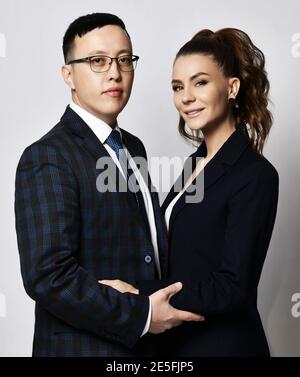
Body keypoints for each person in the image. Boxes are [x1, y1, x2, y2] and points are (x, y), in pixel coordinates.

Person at [14, 13, 203, 357]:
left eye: (124, 60)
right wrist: (142, 315)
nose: (115, 72)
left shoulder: (134, 148)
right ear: (68, 74)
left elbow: (147, 250)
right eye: (97, 61)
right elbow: (48, 276)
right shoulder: (47, 156)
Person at [103, 28, 279, 356]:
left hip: (224, 345)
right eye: (177, 87)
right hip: (177, 345)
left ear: (232, 88)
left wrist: (138, 293)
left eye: (200, 82)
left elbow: (232, 286)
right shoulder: (193, 164)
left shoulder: (255, 175)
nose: (186, 97)